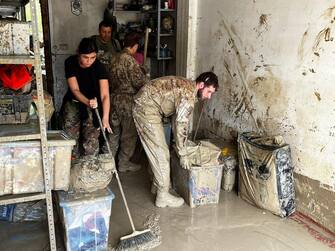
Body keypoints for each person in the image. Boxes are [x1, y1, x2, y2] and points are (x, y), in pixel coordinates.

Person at [132, 72, 219, 208]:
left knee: (159, 149)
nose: (209, 96)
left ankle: (157, 185)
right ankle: (162, 195)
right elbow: (180, 125)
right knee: (161, 153)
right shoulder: (188, 95)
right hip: (146, 108)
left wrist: (179, 146)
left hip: (147, 104)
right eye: (209, 91)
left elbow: (176, 119)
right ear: (201, 85)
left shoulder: (187, 86)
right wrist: (183, 153)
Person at [105, 32, 148, 172]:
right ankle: (123, 163)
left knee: (113, 133)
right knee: (129, 135)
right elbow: (139, 82)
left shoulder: (114, 58)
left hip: (113, 99)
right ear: (135, 46)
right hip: (127, 101)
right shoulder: (130, 60)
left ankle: (108, 165)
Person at [62, 37, 111, 158]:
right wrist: (87, 102)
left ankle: (89, 167)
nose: (89, 61)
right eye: (85, 57)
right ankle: (73, 166)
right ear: (79, 53)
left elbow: (105, 95)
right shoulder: (70, 62)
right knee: (71, 137)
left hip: (94, 104)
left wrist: (105, 117)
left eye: (93, 57)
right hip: (74, 101)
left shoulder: (99, 67)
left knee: (91, 138)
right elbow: (75, 90)